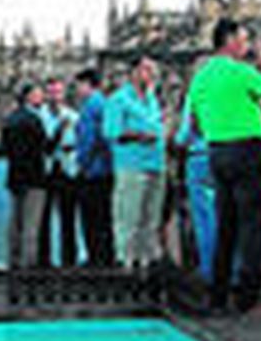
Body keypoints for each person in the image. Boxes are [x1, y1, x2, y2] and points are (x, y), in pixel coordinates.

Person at [188, 18, 261, 313]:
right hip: (247, 150)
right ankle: (247, 299)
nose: (246, 46)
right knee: (253, 226)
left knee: (226, 226)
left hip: (216, 152)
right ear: (229, 40)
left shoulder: (201, 77)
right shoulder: (242, 72)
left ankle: (218, 296)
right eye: (243, 40)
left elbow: (193, 122)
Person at [104, 58, 165, 268]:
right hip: (132, 165)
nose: (151, 74)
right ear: (134, 72)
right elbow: (111, 132)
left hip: (156, 164)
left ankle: (147, 260)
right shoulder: (118, 99)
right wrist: (139, 136)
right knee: (128, 216)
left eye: (153, 70)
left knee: (151, 217)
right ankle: (125, 261)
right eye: (147, 69)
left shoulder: (152, 99)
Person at [3, 82, 51, 270]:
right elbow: (45, 146)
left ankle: (12, 259)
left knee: (16, 220)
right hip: (35, 176)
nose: (42, 98)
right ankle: (27, 262)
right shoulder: (34, 120)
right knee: (31, 222)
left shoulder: (11, 119)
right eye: (39, 94)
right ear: (29, 97)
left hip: (15, 175)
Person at [174, 73, 216, 279]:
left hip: (199, 158)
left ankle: (209, 270)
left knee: (204, 218)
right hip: (225, 155)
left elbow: (183, 135)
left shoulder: (194, 97)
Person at [72, 69, 115, 266]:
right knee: (103, 216)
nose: (77, 90)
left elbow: (91, 138)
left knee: (92, 217)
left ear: (88, 84)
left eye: (79, 86)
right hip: (103, 168)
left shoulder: (92, 106)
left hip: (93, 170)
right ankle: (103, 255)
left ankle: (97, 257)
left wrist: (83, 163)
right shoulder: (103, 103)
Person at [44, 77, 81, 267]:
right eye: (51, 92)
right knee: (44, 217)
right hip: (48, 169)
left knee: (69, 216)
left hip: (68, 169)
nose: (54, 97)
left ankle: (70, 258)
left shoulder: (73, 116)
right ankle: (45, 259)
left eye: (58, 92)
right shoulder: (41, 116)